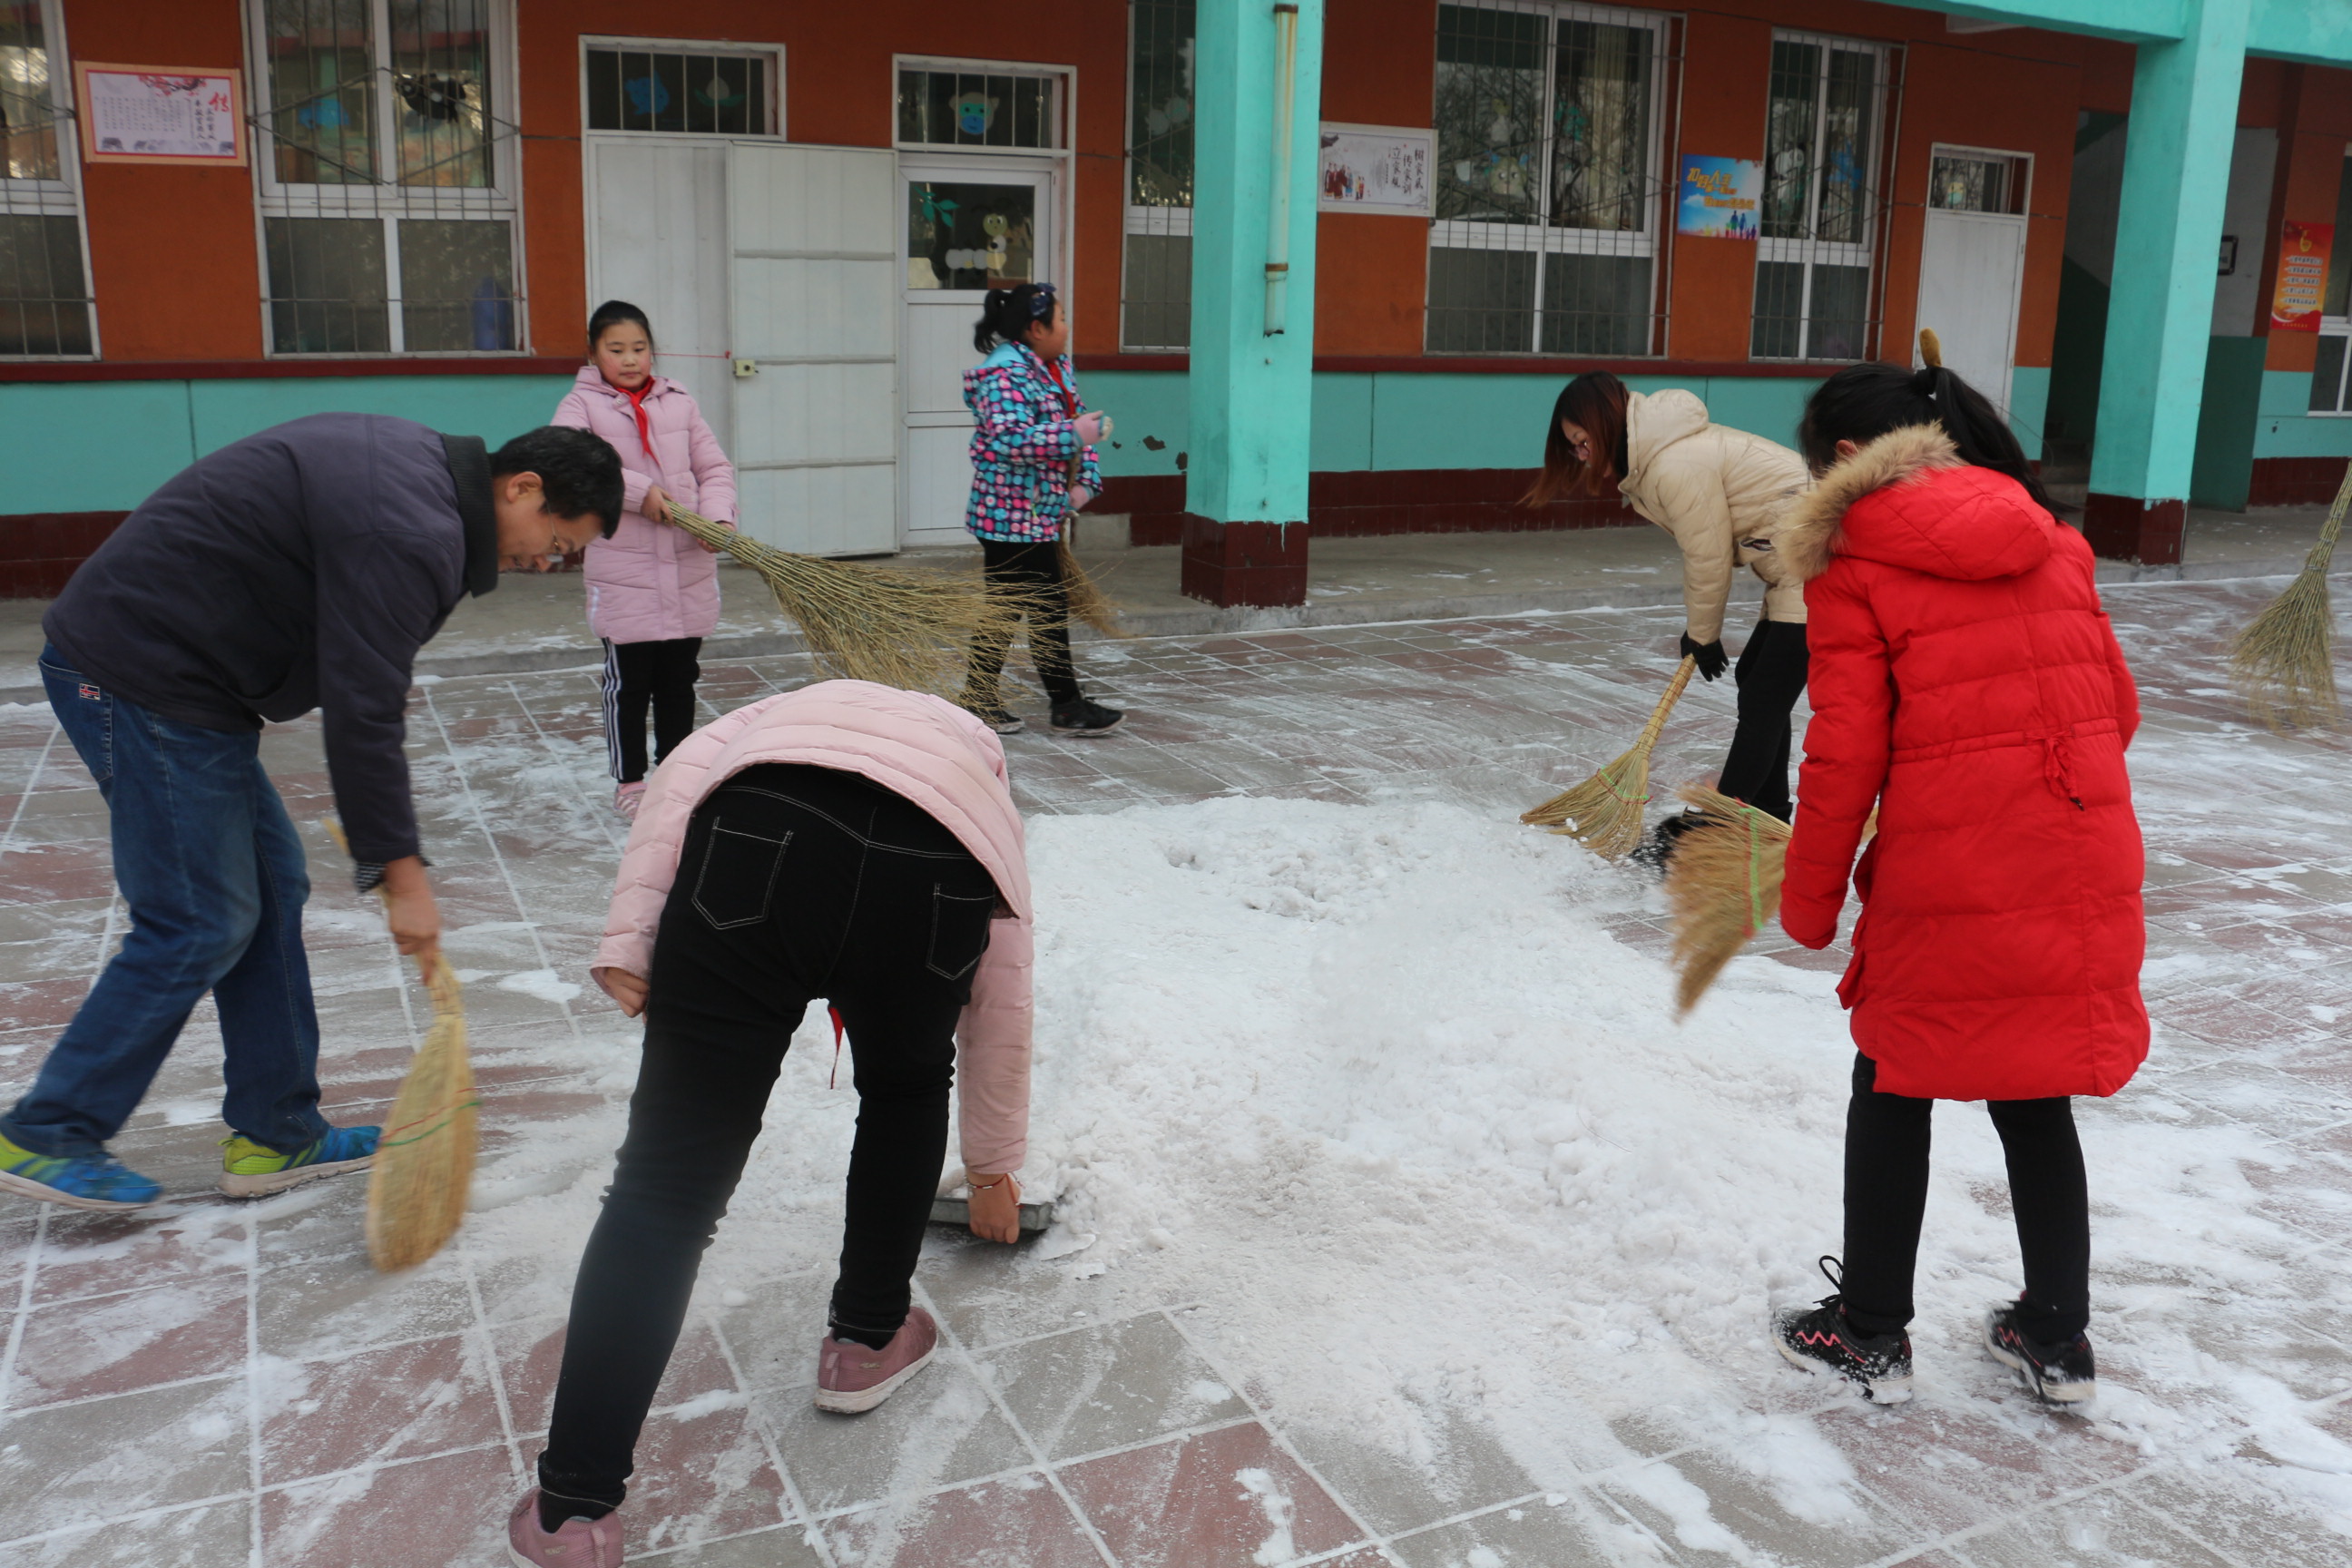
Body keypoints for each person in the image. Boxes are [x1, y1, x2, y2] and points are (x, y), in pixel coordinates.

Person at [0, 416, 622, 1212]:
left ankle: (275, 1132)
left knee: (268, 890)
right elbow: (362, 712)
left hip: (192, 680)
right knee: (197, 918)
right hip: (139, 669)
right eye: (558, 542)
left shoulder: (424, 489)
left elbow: (362, 676)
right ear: (523, 487)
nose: (545, 562)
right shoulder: (413, 527)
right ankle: (47, 1128)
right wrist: (403, 877)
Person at [506, 680, 1037, 1566]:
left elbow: (678, 784)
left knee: (666, 1190)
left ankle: (573, 1514)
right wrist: (993, 1169)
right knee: (907, 1088)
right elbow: (1005, 986)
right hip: (933, 867)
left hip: (760, 837)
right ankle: (866, 1344)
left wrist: (632, 943)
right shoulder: (974, 762)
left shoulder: (774, 715)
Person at [1766, 361, 2146, 1408]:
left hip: (1954, 861)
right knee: (2034, 1090)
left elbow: (1845, 753)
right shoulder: (2048, 534)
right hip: (2079, 849)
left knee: (1893, 1079)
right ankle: (2057, 1339)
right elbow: (2119, 709)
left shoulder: (1853, 563)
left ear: (1848, 458)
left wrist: (1811, 900)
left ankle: (1869, 1333)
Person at [1524, 372, 1811, 849]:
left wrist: (1702, 634)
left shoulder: (1672, 464)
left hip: (1825, 557)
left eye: (1581, 440)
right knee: (1758, 685)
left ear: (1603, 422)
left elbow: (1708, 554)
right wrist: (1701, 633)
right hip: (1798, 561)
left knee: (1764, 698)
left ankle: (1717, 831)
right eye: (1572, 446)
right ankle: (1768, 817)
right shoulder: (1658, 458)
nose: (1580, 454)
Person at [553, 299, 739, 819]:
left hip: (686, 566)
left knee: (679, 683)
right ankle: (630, 783)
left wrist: (719, 518)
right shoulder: (580, 406)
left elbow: (714, 467)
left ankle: (677, 773)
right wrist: (640, 493)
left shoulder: (679, 401)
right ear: (593, 354)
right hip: (624, 574)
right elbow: (570, 463)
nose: (630, 359)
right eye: (616, 350)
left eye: (639, 348)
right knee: (628, 688)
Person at [957, 279, 1124, 738]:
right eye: (1062, 319)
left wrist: (1084, 484)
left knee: (1008, 607)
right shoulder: (1004, 374)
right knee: (1044, 604)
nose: (1068, 327)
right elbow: (1011, 440)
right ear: (1036, 328)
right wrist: (1075, 435)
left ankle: (979, 699)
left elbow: (1076, 423)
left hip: (1039, 511)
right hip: (1008, 514)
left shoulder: (1053, 367)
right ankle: (1065, 705)